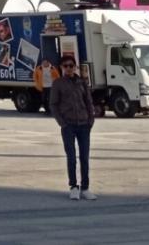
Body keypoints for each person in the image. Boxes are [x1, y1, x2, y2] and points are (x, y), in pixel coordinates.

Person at [49, 55, 96, 200]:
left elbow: (88, 102)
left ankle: (85, 188)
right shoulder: (58, 83)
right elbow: (53, 104)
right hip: (68, 124)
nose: (69, 68)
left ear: (75, 67)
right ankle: (73, 187)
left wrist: (90, 119)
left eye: (71, 65)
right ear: (62, 68)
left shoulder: (82, 82)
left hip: (83, 124)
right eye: (65, 66)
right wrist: (61, 122)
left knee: (84, 157)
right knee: (71, 157)